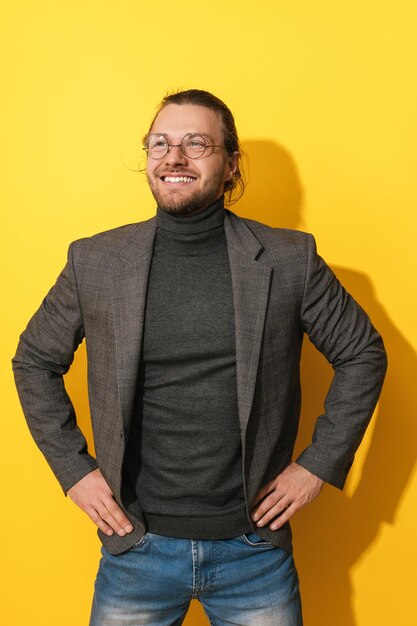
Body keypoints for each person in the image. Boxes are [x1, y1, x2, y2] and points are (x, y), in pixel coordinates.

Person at [12, 89, 387, 626]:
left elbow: (362, 353)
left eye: (196, 143)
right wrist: (74, 471)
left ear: (231, 165)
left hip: (253, 551)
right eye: (160, 143)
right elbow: (34, 361)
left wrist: (316, 467)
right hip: (134, 547)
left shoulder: (288, 259)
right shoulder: (95, 260)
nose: (174, 157)